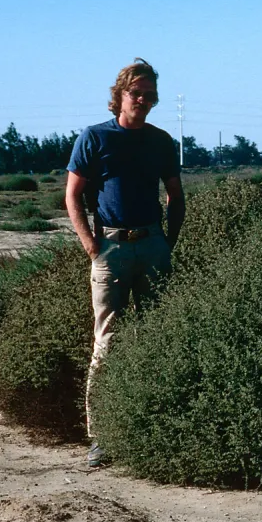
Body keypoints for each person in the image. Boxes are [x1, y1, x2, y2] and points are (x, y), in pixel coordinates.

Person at [65, 58, 184, 466]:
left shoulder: (161, 140)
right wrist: (91, 246)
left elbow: (175, 194)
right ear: (120, 95)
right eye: (138, 94)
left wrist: (167, 242)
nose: (145, 102)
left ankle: (151, 429)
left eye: (151, 96)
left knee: (158, 336)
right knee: (108, 342)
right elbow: (73, 196)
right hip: (111, 249)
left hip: (152, 244)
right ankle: (100, 437)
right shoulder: (95, 138)